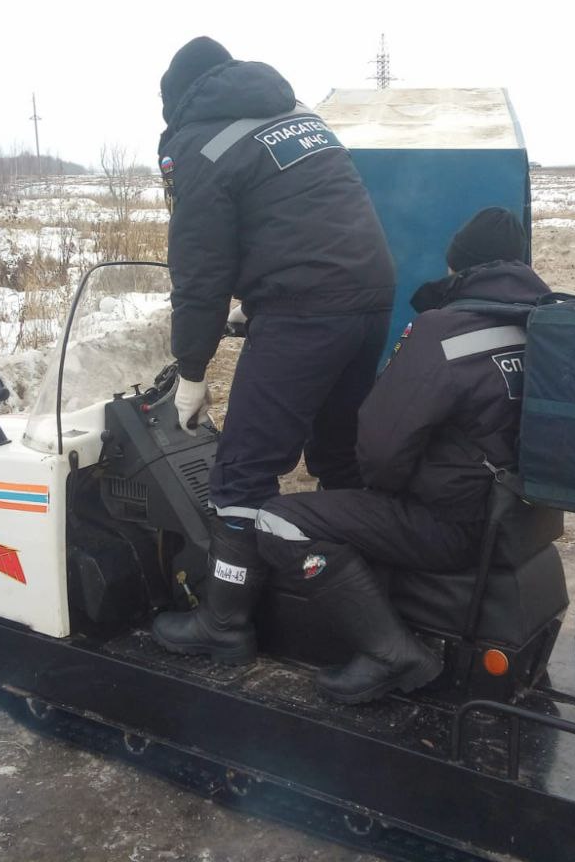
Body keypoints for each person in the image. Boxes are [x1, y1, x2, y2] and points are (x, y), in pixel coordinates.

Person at [177, 207, 546, 703]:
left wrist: (381, 496)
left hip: (448, 526)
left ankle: (391, 652)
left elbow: (380, 446)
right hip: (518, 519)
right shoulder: (541, 325)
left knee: (279, 521)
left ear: (460, 267)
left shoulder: (446, 332)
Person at [150, 37, 396, 661]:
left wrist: (192, 371)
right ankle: (368, 601)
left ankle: (224, 625)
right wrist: (257, 299)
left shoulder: (199, 144)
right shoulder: (297, 117)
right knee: (340, 456)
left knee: (242, 469)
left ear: (178, 100)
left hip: (308, 309)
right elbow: (302, 218)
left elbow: (199, 274)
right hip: (369, 293)